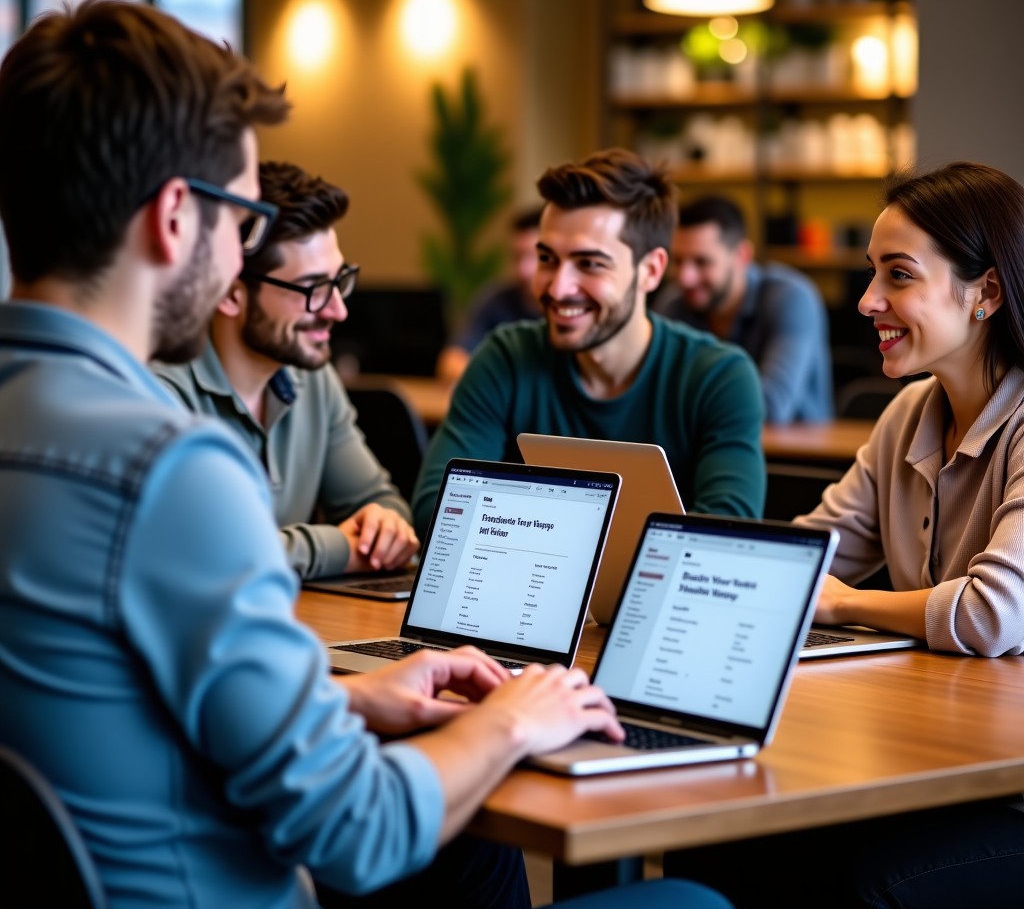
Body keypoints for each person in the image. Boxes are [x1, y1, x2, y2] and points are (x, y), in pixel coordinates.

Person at [0, 0, 737, 909]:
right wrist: (511, 721)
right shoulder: (172, 470)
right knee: (690, 905)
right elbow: (359, 832)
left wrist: (346, 697)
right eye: (239, 216)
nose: (239, 259)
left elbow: (107, 699)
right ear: (177, 217)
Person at [665, 160, 1024, 908]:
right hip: (934, 765)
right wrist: (675, 560)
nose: (866, 301)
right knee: (711, 837)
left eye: (898, 276)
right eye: (870, 274)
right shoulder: (906, 417)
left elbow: (993, 614)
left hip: (1008, 795)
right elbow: (807, 549)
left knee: (856, 884)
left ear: (986, 291)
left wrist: (840, 605)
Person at [412, 149, 766, 538]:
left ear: (650, 270)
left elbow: (725, 537)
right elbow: (438, 507)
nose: (558, 287)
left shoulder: (719, 376)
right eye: (547, 258)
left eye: (590, 264)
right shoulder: (505, 359)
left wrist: (527, 531)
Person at [154, 159, 418, 580]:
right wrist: (336, 547)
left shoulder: (313, 377)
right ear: (230, 294)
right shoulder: (161, 393)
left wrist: (384, 528)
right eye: (314, 289)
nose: (339, 309)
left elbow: (378, 503)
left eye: (340, 280)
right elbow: (205, 551)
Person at [656, 194, 833, 424]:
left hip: (797, 456)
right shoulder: (674, 304)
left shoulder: (790, 298)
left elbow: (771, 406)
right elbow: (651, 394)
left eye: (701, 262)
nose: (685, 278)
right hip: (705, 447)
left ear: (742, 256)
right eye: (678, 261)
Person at [435, 205, 543, 385]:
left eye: (534, 257)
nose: (523, 270)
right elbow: (451, 361)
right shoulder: (497, 301)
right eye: (516, 257)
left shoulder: (566, 309)